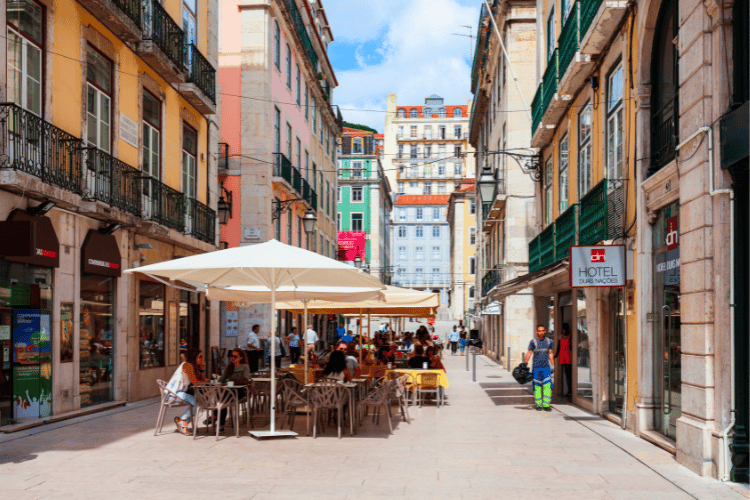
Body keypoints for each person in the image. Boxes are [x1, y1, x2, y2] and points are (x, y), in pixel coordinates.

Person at [167, 349, 207, 434]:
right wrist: (207, 382)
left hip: (180, 393)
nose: (202, 358)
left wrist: (202, 369)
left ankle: (183, 422)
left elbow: (202, 380)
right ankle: (182, 420)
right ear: (194, 357)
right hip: (173, 394)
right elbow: (196, 382)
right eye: (200, 356)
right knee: (199, 402)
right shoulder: (187, 365)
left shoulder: (193, 366)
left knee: (199, 402)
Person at [525, 324, 555, 411]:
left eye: (543, 330)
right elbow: (529, 352)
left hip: (546, 368)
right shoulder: (533, 341)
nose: (541, 332)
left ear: (545, 331)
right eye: (539, 331)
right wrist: (525, 363)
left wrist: (552, 364)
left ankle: (546, 404)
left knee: (547, 386)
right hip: (536, 368)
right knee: (537, 386)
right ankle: (538, 404)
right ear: (537, 331)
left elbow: (550, 353)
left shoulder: (549, 341)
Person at [555, 323, 573, 397]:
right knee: (566, 373)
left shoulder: (571, 336)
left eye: (565, 327)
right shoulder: (561, 336)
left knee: (569, 373)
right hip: (562, 355)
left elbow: (572, 346)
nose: (564, 329)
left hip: (568, 355)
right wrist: (556, 354)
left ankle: (570, 390)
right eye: (563, 327)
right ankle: (569, 390)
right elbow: (559, 346)